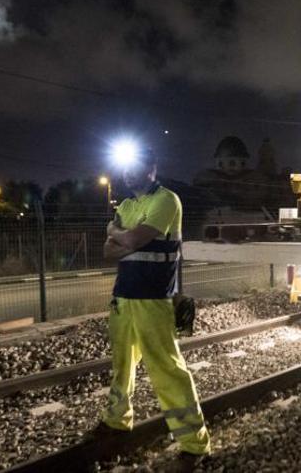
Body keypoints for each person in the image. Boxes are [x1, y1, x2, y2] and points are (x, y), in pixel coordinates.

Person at [94, 146, 210, 470]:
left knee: (167, 370)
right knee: (122, 367)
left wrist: (117, 233)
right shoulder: (129, 204)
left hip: (154, 298)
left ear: (152, 168)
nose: (129, 174)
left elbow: (128, 242)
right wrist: (122, 237)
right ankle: (117, 420)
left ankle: (195, 444)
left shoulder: (167, 200)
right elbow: (107, 251)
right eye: (126, 168)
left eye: (136, 167)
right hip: (124, 298)